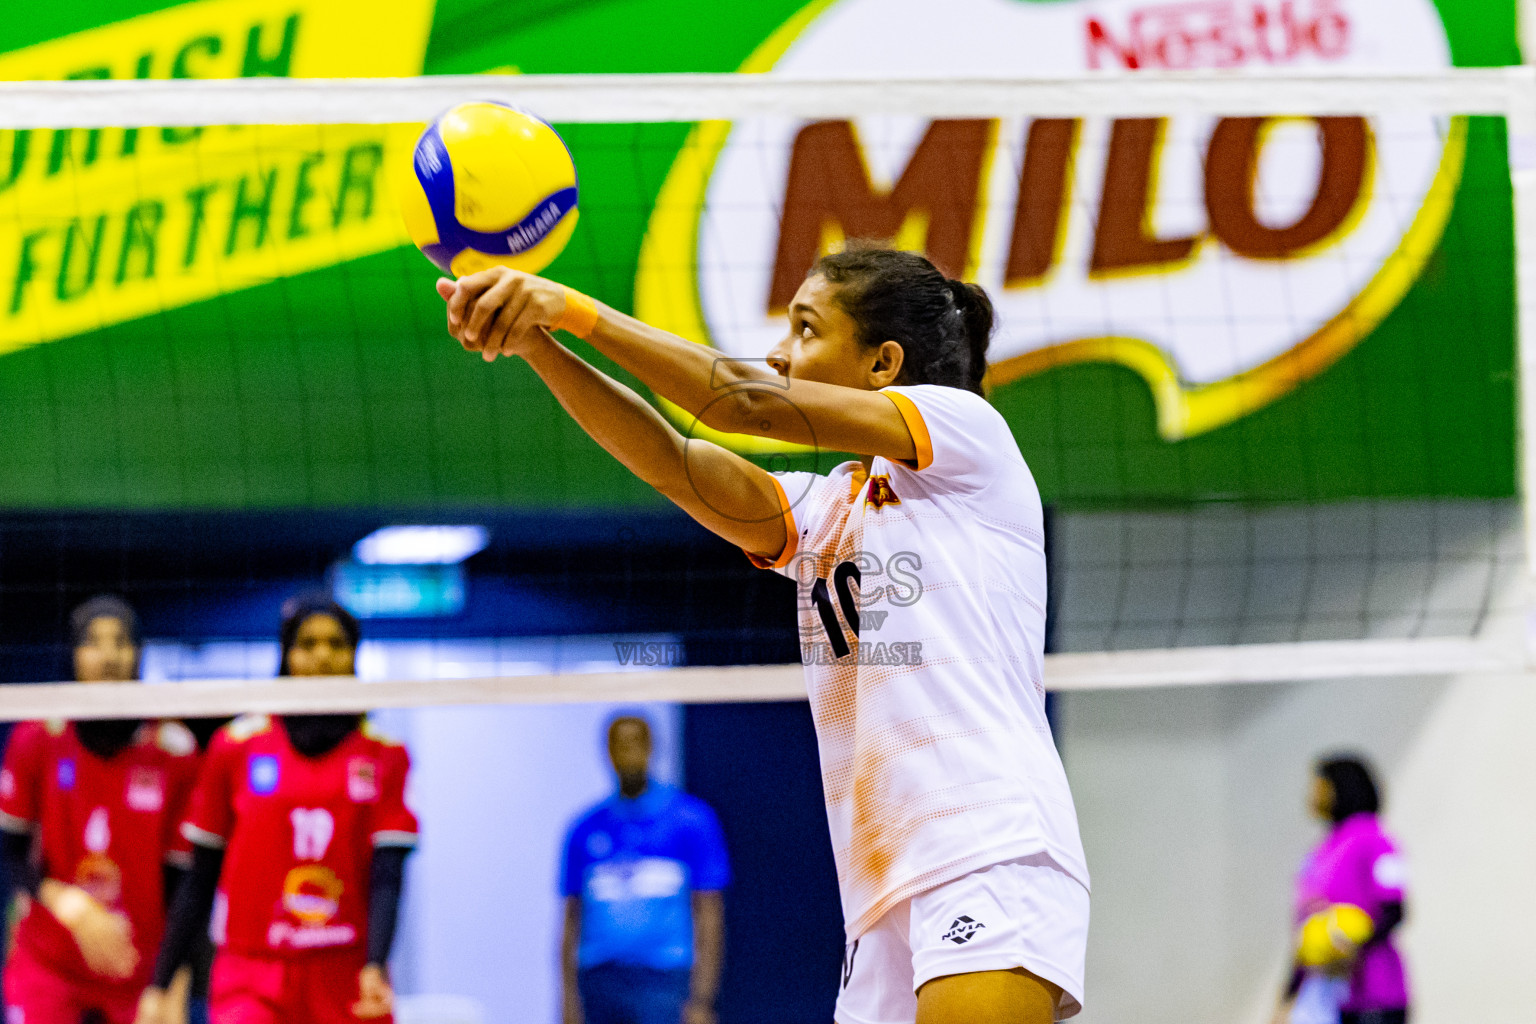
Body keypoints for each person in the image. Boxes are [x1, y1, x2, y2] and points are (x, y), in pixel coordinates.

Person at [435, 243, 1090, 1024]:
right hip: (880, 893)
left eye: (806, 329)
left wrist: (571, 309)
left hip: (987, 846)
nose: (781, 352)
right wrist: (535, 345)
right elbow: (669, 461)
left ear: (883, 362)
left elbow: (748, 404)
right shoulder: (824, 509)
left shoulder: (967, 438)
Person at [134, 596, 418, 1024]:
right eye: (308, 643)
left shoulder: (384, 754)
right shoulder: (236, 746)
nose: (323, 655)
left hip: (343, 969)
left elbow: (387, 878)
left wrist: (376, 962)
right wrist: (160, 983)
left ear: (354, 654)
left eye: (336, 644)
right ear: (286, 652)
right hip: (251, 970)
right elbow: (199, 880)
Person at [0, 595, 201, 1024]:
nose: (108, 655)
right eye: (93, 642)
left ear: (139, 653)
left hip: (138, 968)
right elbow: (10, 852)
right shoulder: (37, 736)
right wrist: (67, 901)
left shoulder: (174, 750)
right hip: (47, 963)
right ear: (74, 653)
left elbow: (186, 885)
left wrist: (173, 978)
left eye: (121, 642)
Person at [560, 715, 729, 1024]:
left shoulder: (690, 821)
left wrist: (702, 1000)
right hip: (599, 979)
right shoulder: (585, 829)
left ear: (652, 748)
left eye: (636, 744)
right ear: (607, 751)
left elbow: (708, 914)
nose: (628, 754)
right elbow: (571, 920)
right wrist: (568, 1000)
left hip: (663, 980)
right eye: (619, 745)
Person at [1278, 756, 1410, 1024]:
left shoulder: (1375, 839)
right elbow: (1305, 931)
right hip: (1329, 996)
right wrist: (1288, 997)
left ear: (1340, 788)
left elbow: (1394, 910)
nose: (1312, 796)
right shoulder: (1322, 850)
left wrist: (1350, 944)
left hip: (1374, 995)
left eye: (1320, 787)